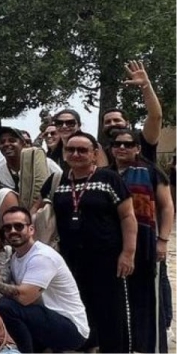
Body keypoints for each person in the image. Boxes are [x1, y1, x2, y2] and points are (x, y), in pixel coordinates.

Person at [40, 130, 136, 353]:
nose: (76, 154)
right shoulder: (57, 180)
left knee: (111, 310)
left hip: (107, 258)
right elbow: (39, 208)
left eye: (82, 150)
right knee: (80, 308)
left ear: (94, 154)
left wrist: (128, 253)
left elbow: (128, 216)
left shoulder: (109, 178)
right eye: (70, 149)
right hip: (70, 259)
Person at [0, 207, 89, 353]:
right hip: (45, 318)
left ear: (31, 229)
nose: (13, 231)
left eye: (19, 226)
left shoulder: (42, 257)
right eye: (7, 228)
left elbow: (24, 298)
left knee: (6, 306)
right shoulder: (15, 258)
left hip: (72, 328)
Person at [108, 128, 173, 353]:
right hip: (114, 243)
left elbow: (166, 207)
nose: (122, 148)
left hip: (145, 243)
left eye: (128, 144)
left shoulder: (151, 172)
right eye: (117, 144)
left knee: (147, 301)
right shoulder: (106, 174)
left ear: (137, 148)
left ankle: (151, 348)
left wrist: (163, 240)